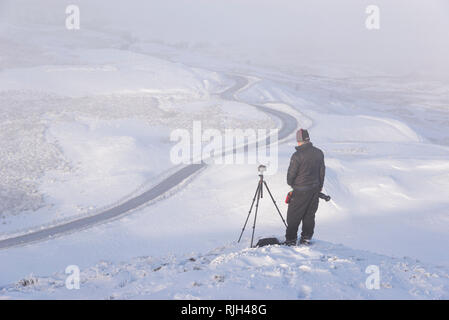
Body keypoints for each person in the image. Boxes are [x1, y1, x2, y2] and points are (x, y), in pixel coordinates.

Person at [284, 129, 325, 246]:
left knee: (293, 216)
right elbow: (322, 172)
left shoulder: (297, 156)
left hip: (300, 191)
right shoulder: (319, 152)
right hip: (315, 190)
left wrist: (292, 184)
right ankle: (306, 238)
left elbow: (290, 176)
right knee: (309, 216)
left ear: (299, 141)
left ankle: (291, 240)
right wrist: (320, 187)